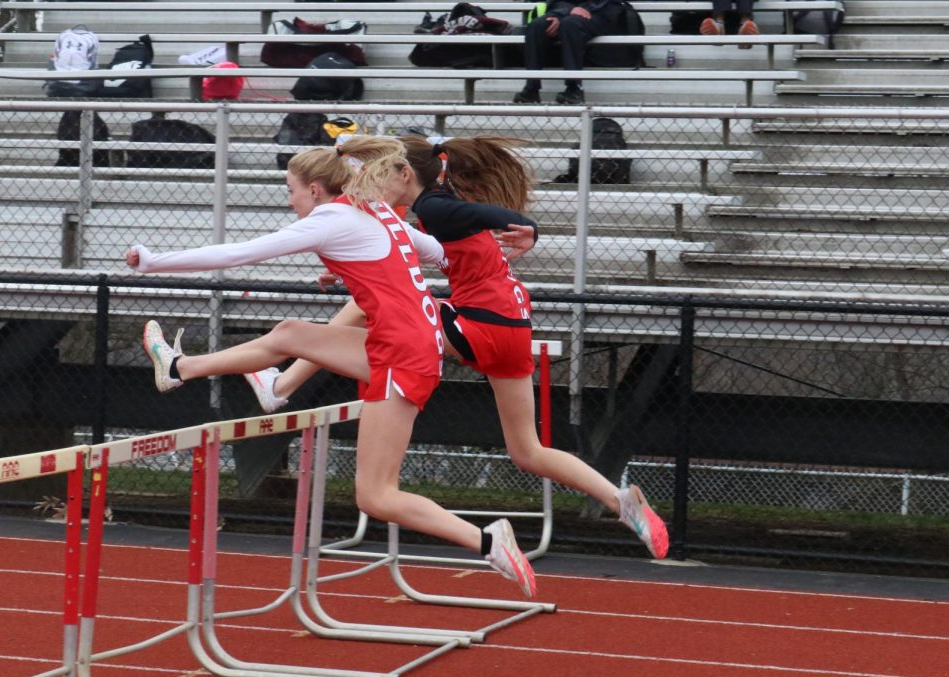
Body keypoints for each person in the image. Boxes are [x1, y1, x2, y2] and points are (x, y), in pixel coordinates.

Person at [124, 140, 539, 597]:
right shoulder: (379, 213)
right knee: (291, 333)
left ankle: (486, 540)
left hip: (403, 355)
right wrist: (351, 270)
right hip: (407, 345)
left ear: (317, 189)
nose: (289, 201)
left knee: (376, 495)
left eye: (292, 190)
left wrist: (154, 262)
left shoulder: (333, 218)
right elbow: (442, 255)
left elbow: (242, 253)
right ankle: (183, 368)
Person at [245, 134, 669, 560]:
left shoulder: (434, 206)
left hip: (480, 322)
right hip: (512, 324)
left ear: (403, 173)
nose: (371, 188)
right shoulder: (432, 201)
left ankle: (281, 385)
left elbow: (482, 220)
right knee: (528, 450)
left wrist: (530, 229)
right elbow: (404, 252)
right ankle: (620, 501)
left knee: (368, 303)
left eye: (377, 177)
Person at [513, 0, 624, 105]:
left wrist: (575, 11)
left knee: (570, 25)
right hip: (568, 11)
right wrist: (565, 12)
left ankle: (574, 88)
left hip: (600, 11)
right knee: (537, 26)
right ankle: (531, 89)